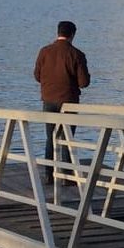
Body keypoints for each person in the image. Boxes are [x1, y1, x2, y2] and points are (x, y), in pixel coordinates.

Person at [34, 20, 91, 184]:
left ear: (58, 33)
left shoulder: (44, 52)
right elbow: (83, 83)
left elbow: (37, 76)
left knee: (50, 137)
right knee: (67, 138)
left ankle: (49, 174)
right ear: (73, 34)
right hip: (69, 101)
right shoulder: (77, 54)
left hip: (48, 100)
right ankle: (67, 176)